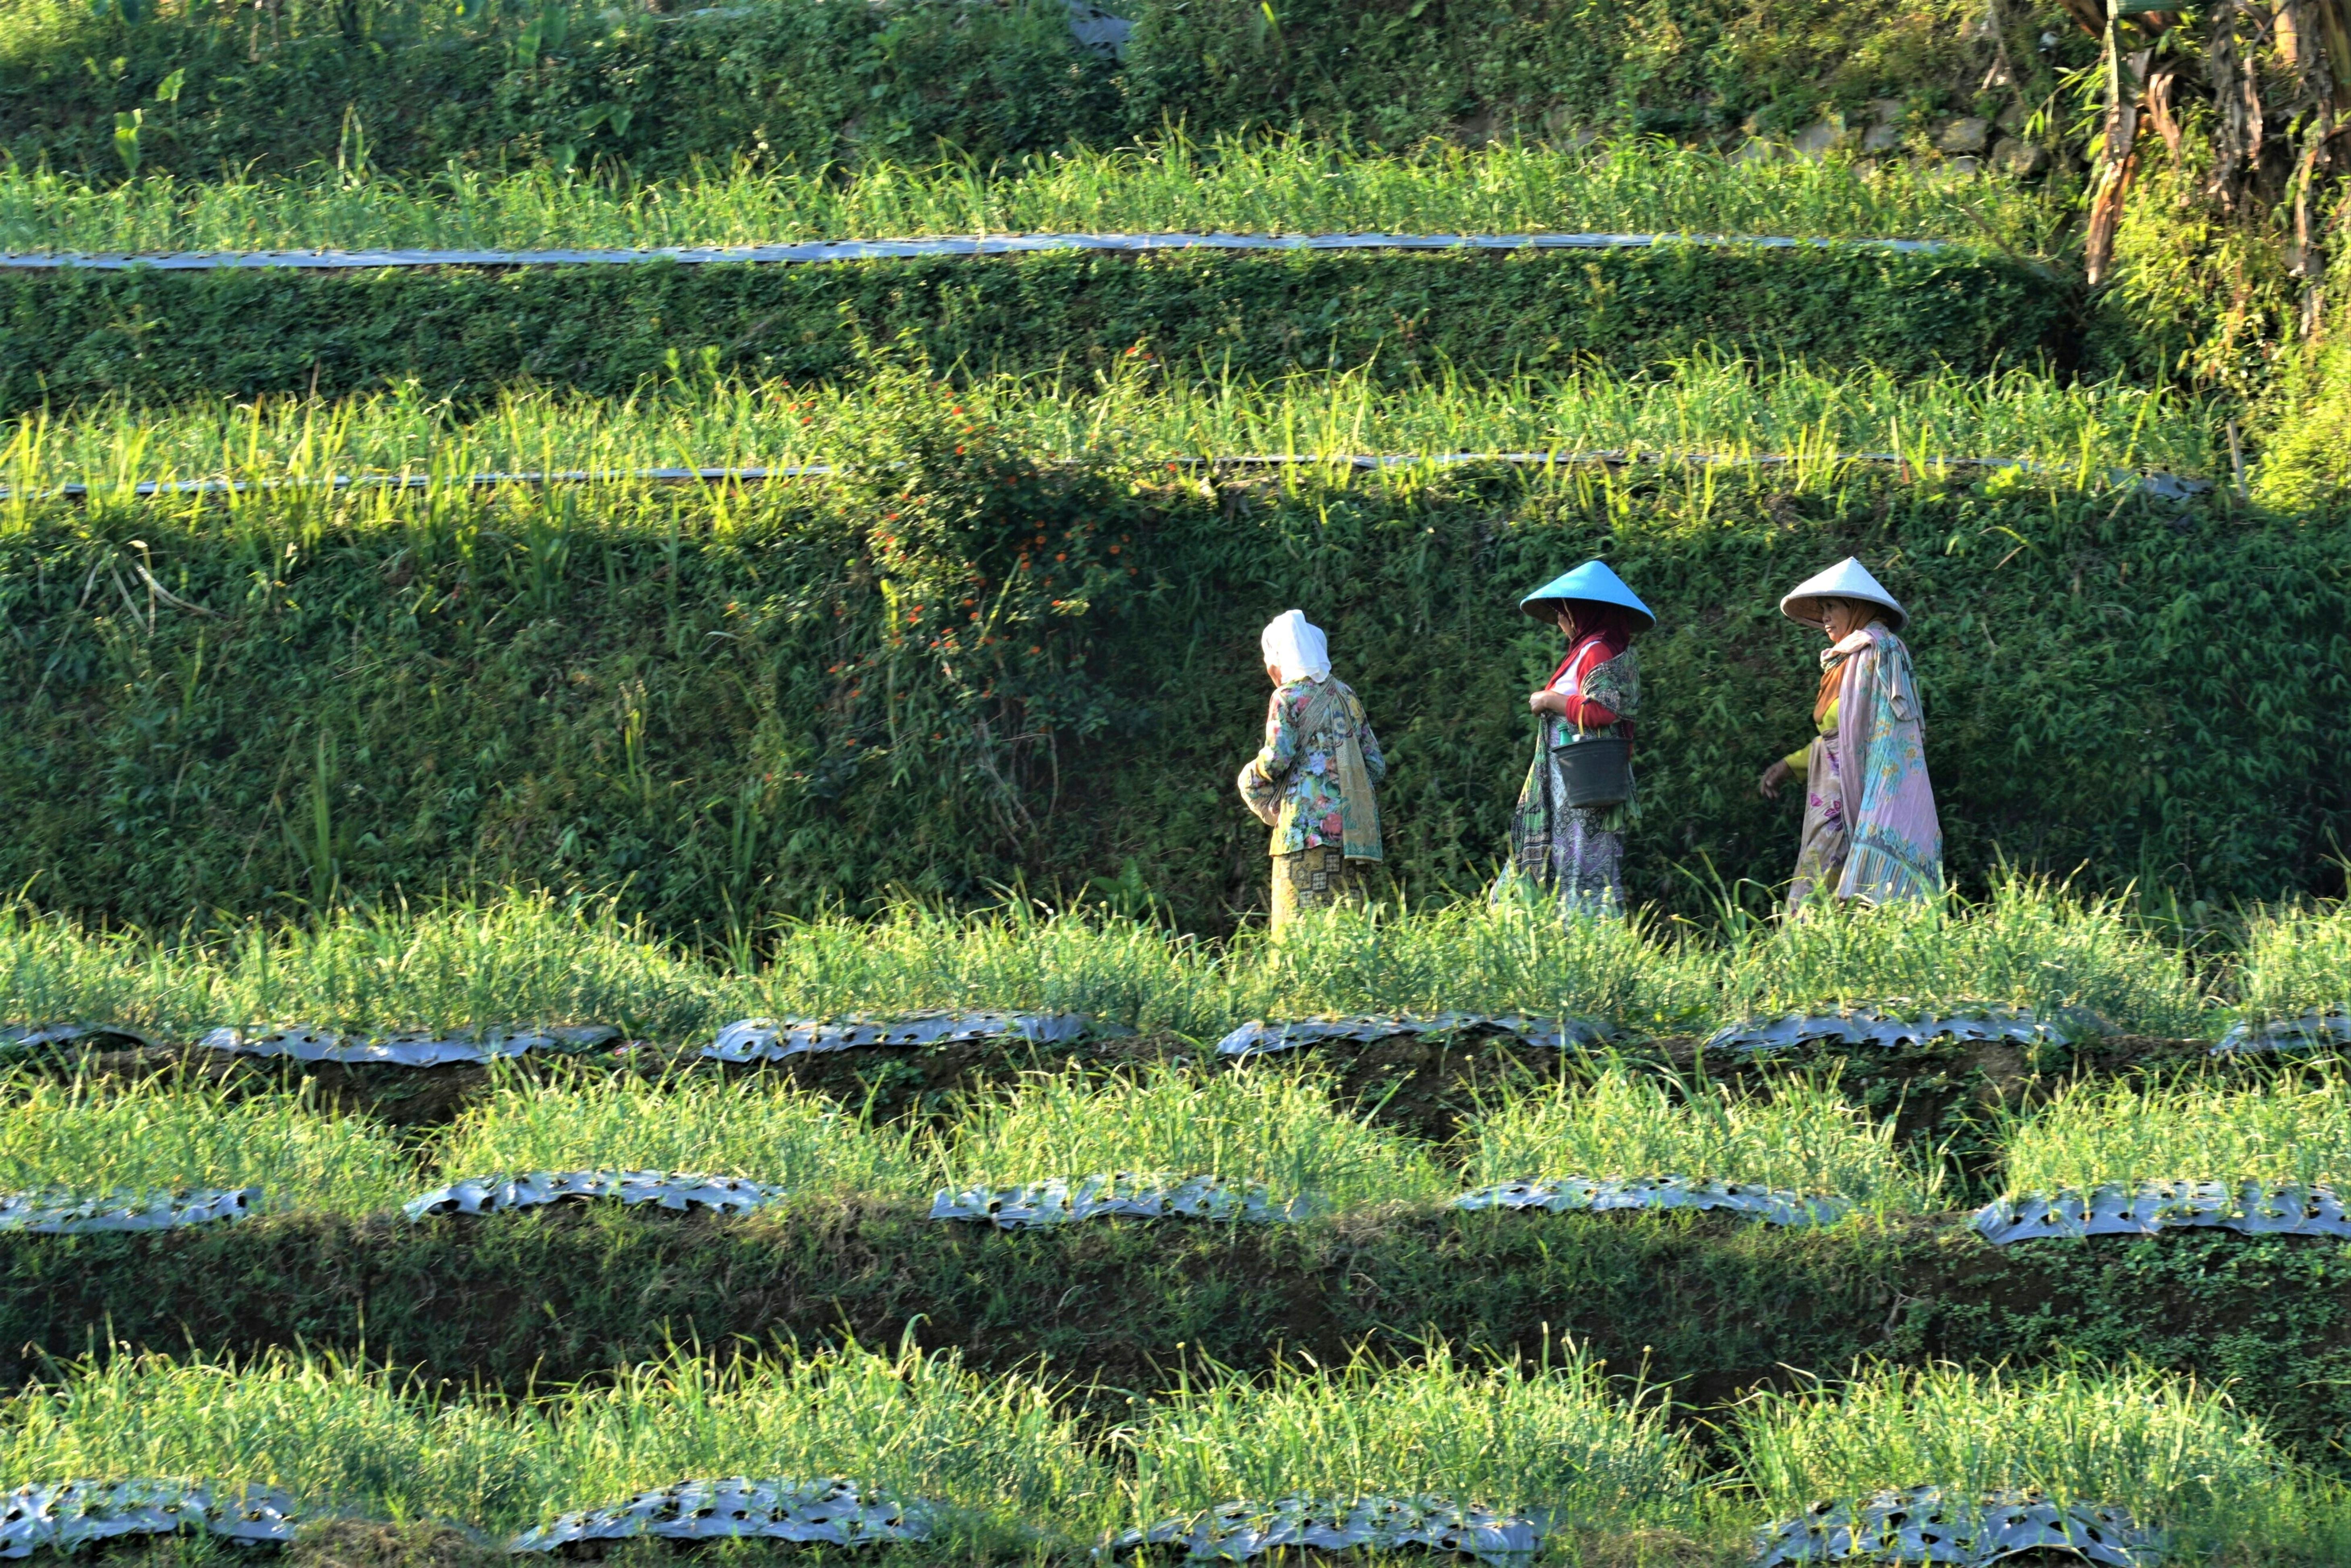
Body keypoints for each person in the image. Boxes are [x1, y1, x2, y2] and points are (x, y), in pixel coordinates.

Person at [1757, 557, 1943, 910]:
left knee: (1835, 883)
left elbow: (1885, 739)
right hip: (1832, 795)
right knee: (1821, 877)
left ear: (1856, 608)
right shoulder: (1845, 658)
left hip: (1864, 792)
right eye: (1823, 608)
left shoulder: (1879, 652)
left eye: (1833, 607)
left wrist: (1871, 802)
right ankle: (1814, 958)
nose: (1825, 616)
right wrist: (1789, 765)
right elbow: (1837, 738)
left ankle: (1827, 953)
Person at [1500, 559, 1652, 916]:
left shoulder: (1596, 649)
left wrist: (1550, 700)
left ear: (1582, 612)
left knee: (1581, 851)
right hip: (1576, 778)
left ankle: (1584, 929)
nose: (1559, 622)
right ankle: (1572, 928)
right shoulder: (1595, 648)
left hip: (1578, 778)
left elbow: (1603, 710)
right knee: (1578, 850)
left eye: (1563, 612)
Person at [1237, 610, 1387, 933]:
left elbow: (1277, 760)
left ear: (1280, 661)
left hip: (1303, 835)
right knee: (1349, 931)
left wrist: (1251, 774)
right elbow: (1375, 764)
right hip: (1354, 837)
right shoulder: (1347, 696)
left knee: (1300, 936)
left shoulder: (1286, 698)